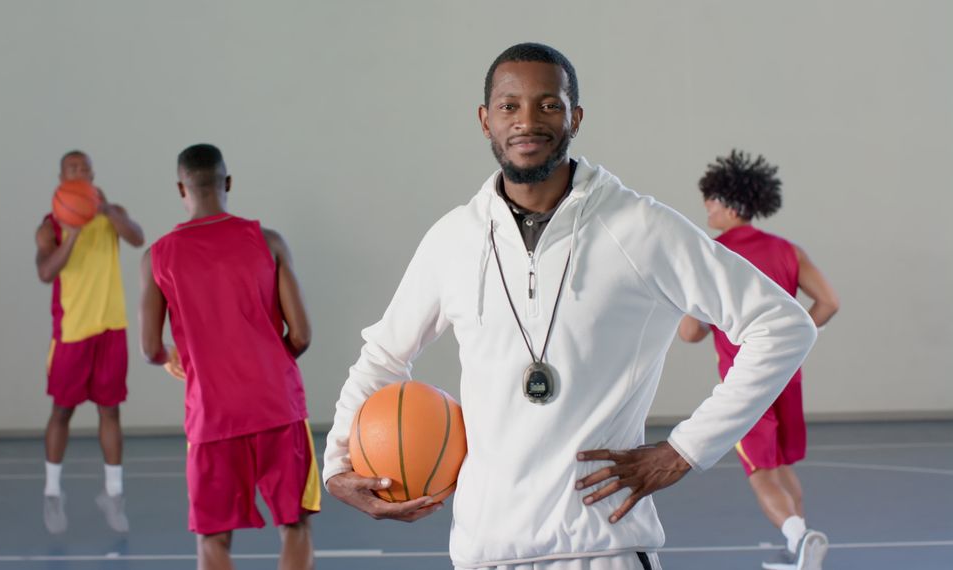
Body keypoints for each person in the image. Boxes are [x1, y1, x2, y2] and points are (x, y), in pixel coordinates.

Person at [322, 43, 818, 570]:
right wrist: (336, 464)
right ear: (484, 120)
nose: (527, 121)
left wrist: (685, 450)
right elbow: (382, 355)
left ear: (574, 117)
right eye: (509, 106)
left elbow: (783, 325)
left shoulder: (638, 227)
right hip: (486, 550)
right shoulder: (453, 239)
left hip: (604, 547)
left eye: (548, 104)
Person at [139, 144, 319, 570]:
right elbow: (302, 334)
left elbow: (150, 348)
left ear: (181, 187)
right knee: (294, 526)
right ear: (228, 183)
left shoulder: (157, 256)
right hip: (277, 404)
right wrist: (271, 361)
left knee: (212, 541)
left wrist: (170, 358)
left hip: (211, 415)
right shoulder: (268, 241)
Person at [678, 150, 839, 570]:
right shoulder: (789, 251)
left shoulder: (713, 255)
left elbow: (691, 332)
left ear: (730, 204)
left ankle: (800, 538)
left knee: (760, 471)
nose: (707, 209)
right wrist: (791, 341)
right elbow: (828, 303)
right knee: (780, 463)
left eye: (710, 201)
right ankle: (800, 545)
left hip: (745, 382)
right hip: (787, 375)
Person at [35, 150, 144, 534]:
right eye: (72, 169)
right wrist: (75, 229)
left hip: (111, 328)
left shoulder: (111, 215)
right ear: (61, 179)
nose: (79, 173)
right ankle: (52, 493)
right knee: (62, 411)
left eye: (84, 168)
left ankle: (113, 495)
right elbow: (46, 272)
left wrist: (106, 210)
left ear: (93, 176)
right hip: (72, 332)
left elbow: (138, 237)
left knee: (110, 411)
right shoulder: (50, 226)